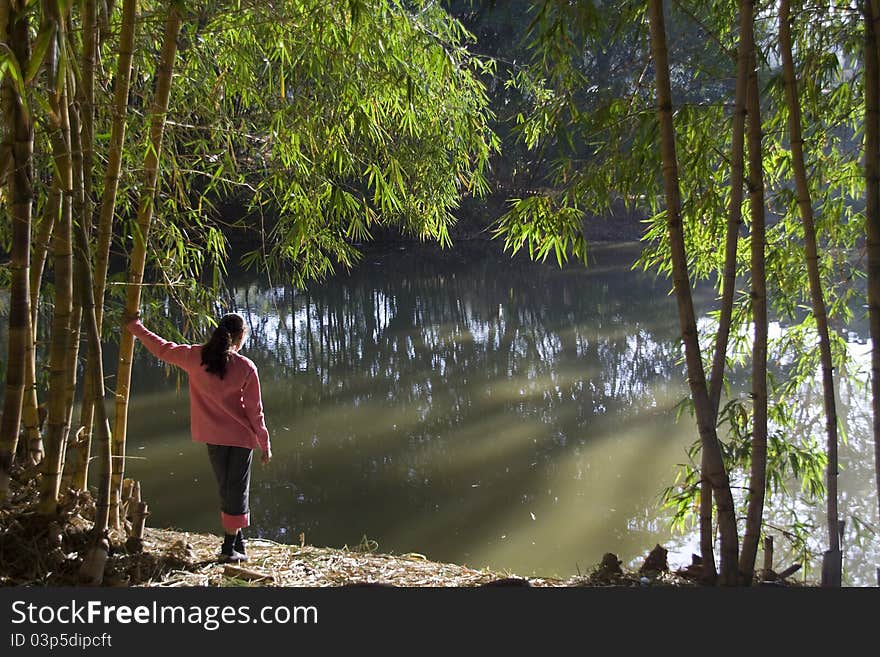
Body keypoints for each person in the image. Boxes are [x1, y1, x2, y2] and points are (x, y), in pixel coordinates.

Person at [125, 311, 272, 563]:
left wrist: (135, 327)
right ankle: (229, 548)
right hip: (240, 438)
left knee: (227, 487)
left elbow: (162, 348)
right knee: (235, 489)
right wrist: (264, 443)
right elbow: (254, 411)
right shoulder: (246, 367)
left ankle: (237, 541)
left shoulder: (195, 356)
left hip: (212, 436)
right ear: (240, 337)